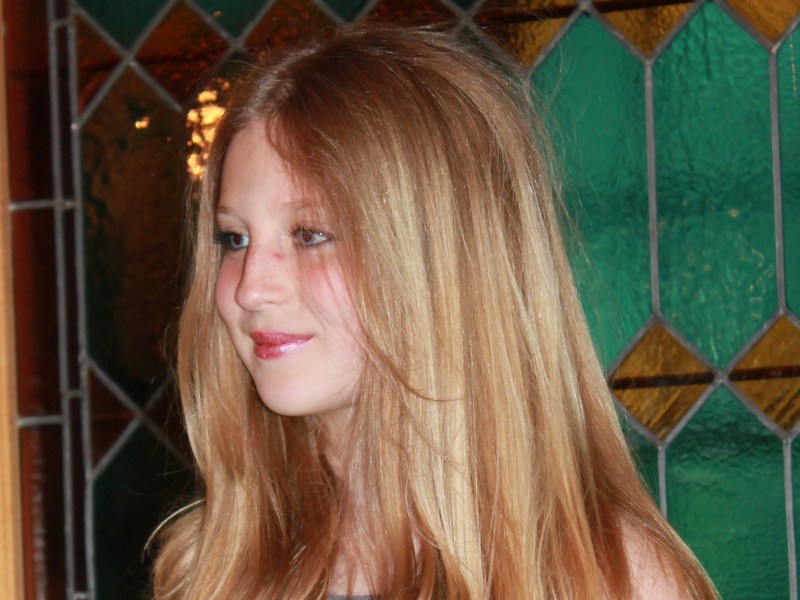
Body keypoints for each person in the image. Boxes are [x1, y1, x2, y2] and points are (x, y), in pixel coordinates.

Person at [151, 24, 718, 599]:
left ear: (441, 258)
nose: (251, 289)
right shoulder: (211, 570)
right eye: (234, 240)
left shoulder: (609, 581)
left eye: (310, 233)